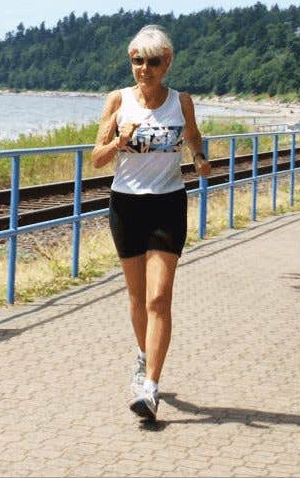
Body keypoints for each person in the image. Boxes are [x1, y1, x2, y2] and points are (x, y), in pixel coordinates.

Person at [91, 24, 211, 422]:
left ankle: (150, 388)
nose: (144, 69)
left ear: (168, 62)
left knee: (159, 298)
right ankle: (143, 356)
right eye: (137, 61)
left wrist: (198, 159)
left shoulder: (182, 102)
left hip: (167, 205)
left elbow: (193, 136)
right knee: (138, 296)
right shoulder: (118, 101)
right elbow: (97, 158)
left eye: (153, 61)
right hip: (126, 206)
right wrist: (118, 142)